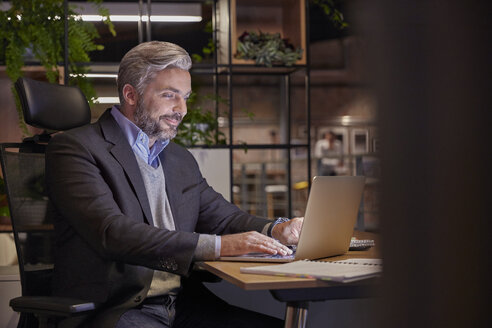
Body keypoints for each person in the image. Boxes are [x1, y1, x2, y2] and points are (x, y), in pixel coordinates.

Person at [45, 41, 303, 328]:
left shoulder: (179, 159)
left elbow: (224, 217)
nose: (181, 109)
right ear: (131, 94)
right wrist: (219, 246)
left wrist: (277, 230)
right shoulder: (76, 149)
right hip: (119, 309)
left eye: (185, 97)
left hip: (183, 305)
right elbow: (112, 233)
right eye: (169, 95)